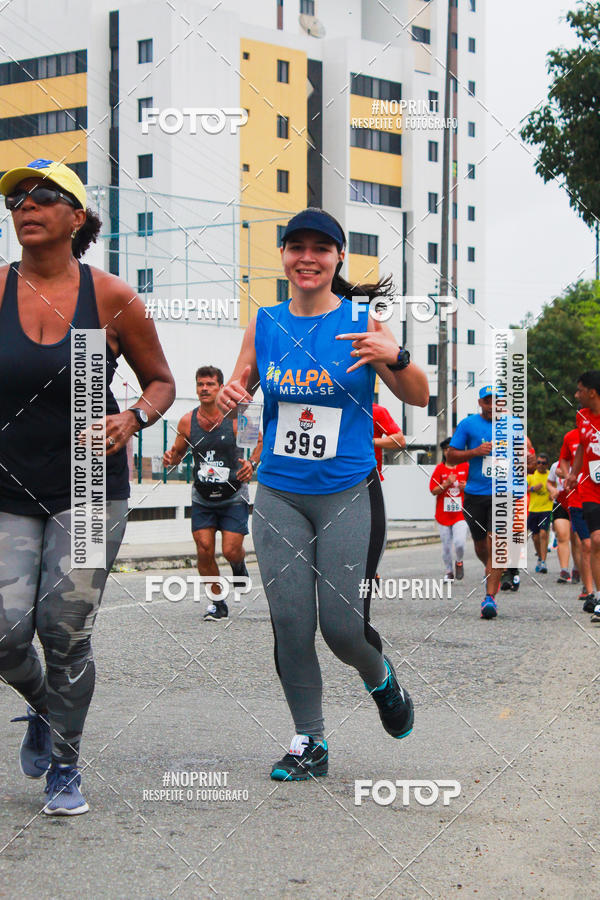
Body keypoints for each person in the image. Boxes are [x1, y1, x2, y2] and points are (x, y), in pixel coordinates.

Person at [217, 207, 429, 780]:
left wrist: (397, 357)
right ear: (284, 256)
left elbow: (419, 395)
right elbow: (241, 387)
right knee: (290, 623)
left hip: (347, 494)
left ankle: (381, 678)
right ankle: (310, 741)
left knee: (341, 627)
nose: (306, 257)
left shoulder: (362, 321)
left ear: (337, 259)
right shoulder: (265, 323)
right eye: (296, 247)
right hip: (280, 494)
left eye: (320, 248)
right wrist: (236, 396)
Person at [0, 159, 175, 814]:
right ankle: (47, 708)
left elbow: (161, 381)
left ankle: (66, 766)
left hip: (89, 484)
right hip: (9, 486)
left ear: (77, 217)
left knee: (64, 627)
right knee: (4, 633)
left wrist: (134, 417)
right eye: (17, 197)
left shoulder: (110, 297)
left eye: (43, 195)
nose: (26, 204)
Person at [163, 365, 261, 621]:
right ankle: (218, 603)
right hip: (202, 497)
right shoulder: (187, 420)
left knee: (230, 550)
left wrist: (252, 463)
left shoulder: (239, 417)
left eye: (210, 384)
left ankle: (238, 566)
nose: (204, 389)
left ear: (220, 388)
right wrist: (170, 458)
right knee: (204, 548)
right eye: (200, 384)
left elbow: (260, 441)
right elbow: (177, 453)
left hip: (233, 495)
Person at [446, 386, 507, 619]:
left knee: (496, 541)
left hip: (502, 493)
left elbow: (526, 457)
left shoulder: (511, 425)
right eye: (488, 401)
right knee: (482, 546)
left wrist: (529, 460)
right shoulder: (468, 424)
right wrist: (475, 451)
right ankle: (492, 569)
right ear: (480, 403)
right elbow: (451, 456)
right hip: (475, 493)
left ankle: (489, 598)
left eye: (497, 402)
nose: (492, 406)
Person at [564, 371, 600, 620]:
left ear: (592, 392)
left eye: (579, 390)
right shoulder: (582, 417)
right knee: (596, 540)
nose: (576, 395)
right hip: (590, 488)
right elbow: (580, 451)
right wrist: (573, 474)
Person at [558, 426, 595, 610]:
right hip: (577, 499)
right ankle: (589, 592)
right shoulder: (570, 436)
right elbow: (563, 461)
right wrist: (569, 476)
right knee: (586, 545)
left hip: (596, 497)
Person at [429, 438, 469, 581]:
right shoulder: (439, 469)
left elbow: (475, 486)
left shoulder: (465, 466)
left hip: (461, 514)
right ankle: (448, 571)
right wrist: (446, 483)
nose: (448, 452)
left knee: (459, 543)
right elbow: (433, 490)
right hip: (443, 515)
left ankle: (459, 561)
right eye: (446, 449)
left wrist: (467, 487)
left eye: (451, 449)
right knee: (446, 546)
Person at [527, 453, 553, 573]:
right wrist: (533, 488)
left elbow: (556, 488)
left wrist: (553, 493)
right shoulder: (532, 475)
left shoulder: (550, 475)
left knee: (543, 534)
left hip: (546, 509)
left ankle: (543, 561)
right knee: (535, 537)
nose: (540, 465)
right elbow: (522, 488)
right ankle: (539, 556)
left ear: (547, 465)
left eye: (543, 463)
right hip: (533, 510)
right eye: (538, 463)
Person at [546, 460, 572, 582]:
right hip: (560, 503)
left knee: (577, 539)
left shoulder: (584, 462)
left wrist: (567, 476)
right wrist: (552, 490)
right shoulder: (555, 465)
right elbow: (549, 483)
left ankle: (578, 568)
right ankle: (564, 570)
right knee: (562, 536)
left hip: (578, 501)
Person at [372, 402, 406, 480]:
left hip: (368, 476)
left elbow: (400, 441)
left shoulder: (376, 411)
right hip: (339, 475)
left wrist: (369, 442)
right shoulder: (340, 409)